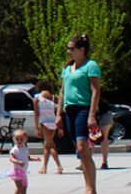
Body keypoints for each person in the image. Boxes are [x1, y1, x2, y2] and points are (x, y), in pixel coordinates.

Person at [57, 33, 102, 194]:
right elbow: (62, 91)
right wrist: (58, 114)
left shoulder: (91, 65)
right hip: (70, 110)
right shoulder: (67, 68)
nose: (68, 51)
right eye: (68, 48)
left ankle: (91, 188)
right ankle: (87, 185)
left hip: (83, 108)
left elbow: (96, 90)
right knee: (80, 152)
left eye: (71, 48)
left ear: (81, 50)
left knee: (84, 149)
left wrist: (91, 114)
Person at [33, 80, 63, 174]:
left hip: (44, 123)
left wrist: (37, 127)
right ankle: (44, 167)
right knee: (47, 145)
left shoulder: (37, 98)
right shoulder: (54, 98)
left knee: (50, 145)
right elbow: (59, 111)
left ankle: (59, 166)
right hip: (53, 123)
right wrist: (60, 127)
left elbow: (36, 114)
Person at [8, 129, 30, 194]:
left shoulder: (25, 148)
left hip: (23, 171)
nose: (19, 141)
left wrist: (33, 158)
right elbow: (11, 158)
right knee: (19, 187)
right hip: (16, 171)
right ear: (14, 139)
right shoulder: (14, 149)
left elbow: (27, 157)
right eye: (17, 139)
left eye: (21, 139)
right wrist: (18, 162)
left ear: (26, 139)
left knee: (24, 186)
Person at [96, 103, 114, 169]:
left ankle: (104, 162)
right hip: (91, 114)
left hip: (104, 112)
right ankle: (85, 161)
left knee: (104, 137)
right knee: (90, 138)